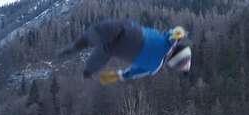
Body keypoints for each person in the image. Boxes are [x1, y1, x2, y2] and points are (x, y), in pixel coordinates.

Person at [58, 19, 191, 84]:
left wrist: (179, 34)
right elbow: (130, 74)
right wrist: (114, 76)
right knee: (106, 50)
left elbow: (174, 33)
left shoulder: (167, 42)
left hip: (132, 33)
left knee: (109, 31)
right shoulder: (154, 68)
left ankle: (79, 45)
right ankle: (88, 70)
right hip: (122, 50)